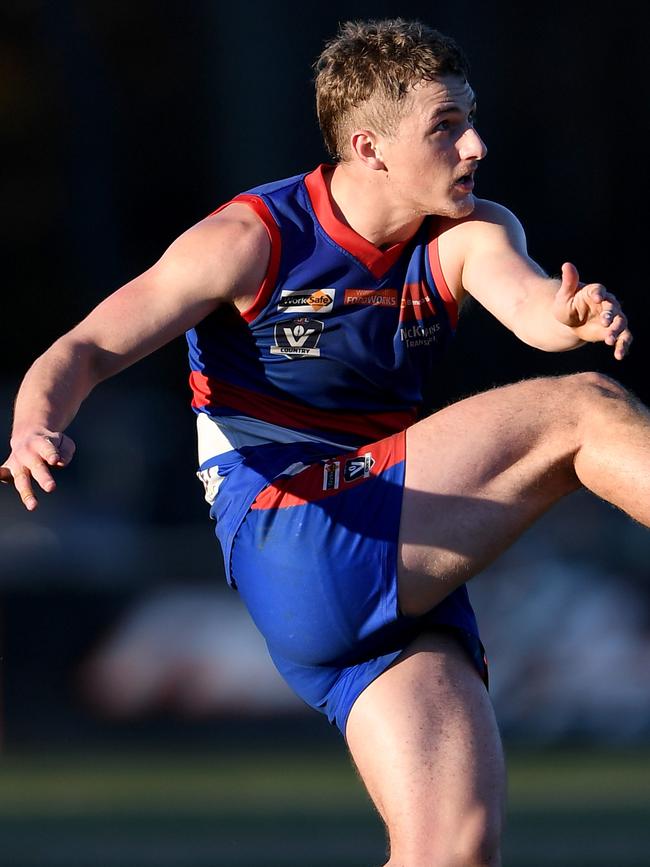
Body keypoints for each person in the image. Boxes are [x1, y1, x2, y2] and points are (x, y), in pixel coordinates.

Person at [2, 17, 649, 867]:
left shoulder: (467, 231)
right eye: (447, 126)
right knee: (584, 411)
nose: (476, 145)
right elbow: (83, 347)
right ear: (368, 146)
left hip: (384, 565)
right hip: (293, 533)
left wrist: (564, 320)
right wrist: (34, 423)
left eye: (473, 117)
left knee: (452, 848)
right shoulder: (250, 238)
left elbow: (528, 306)